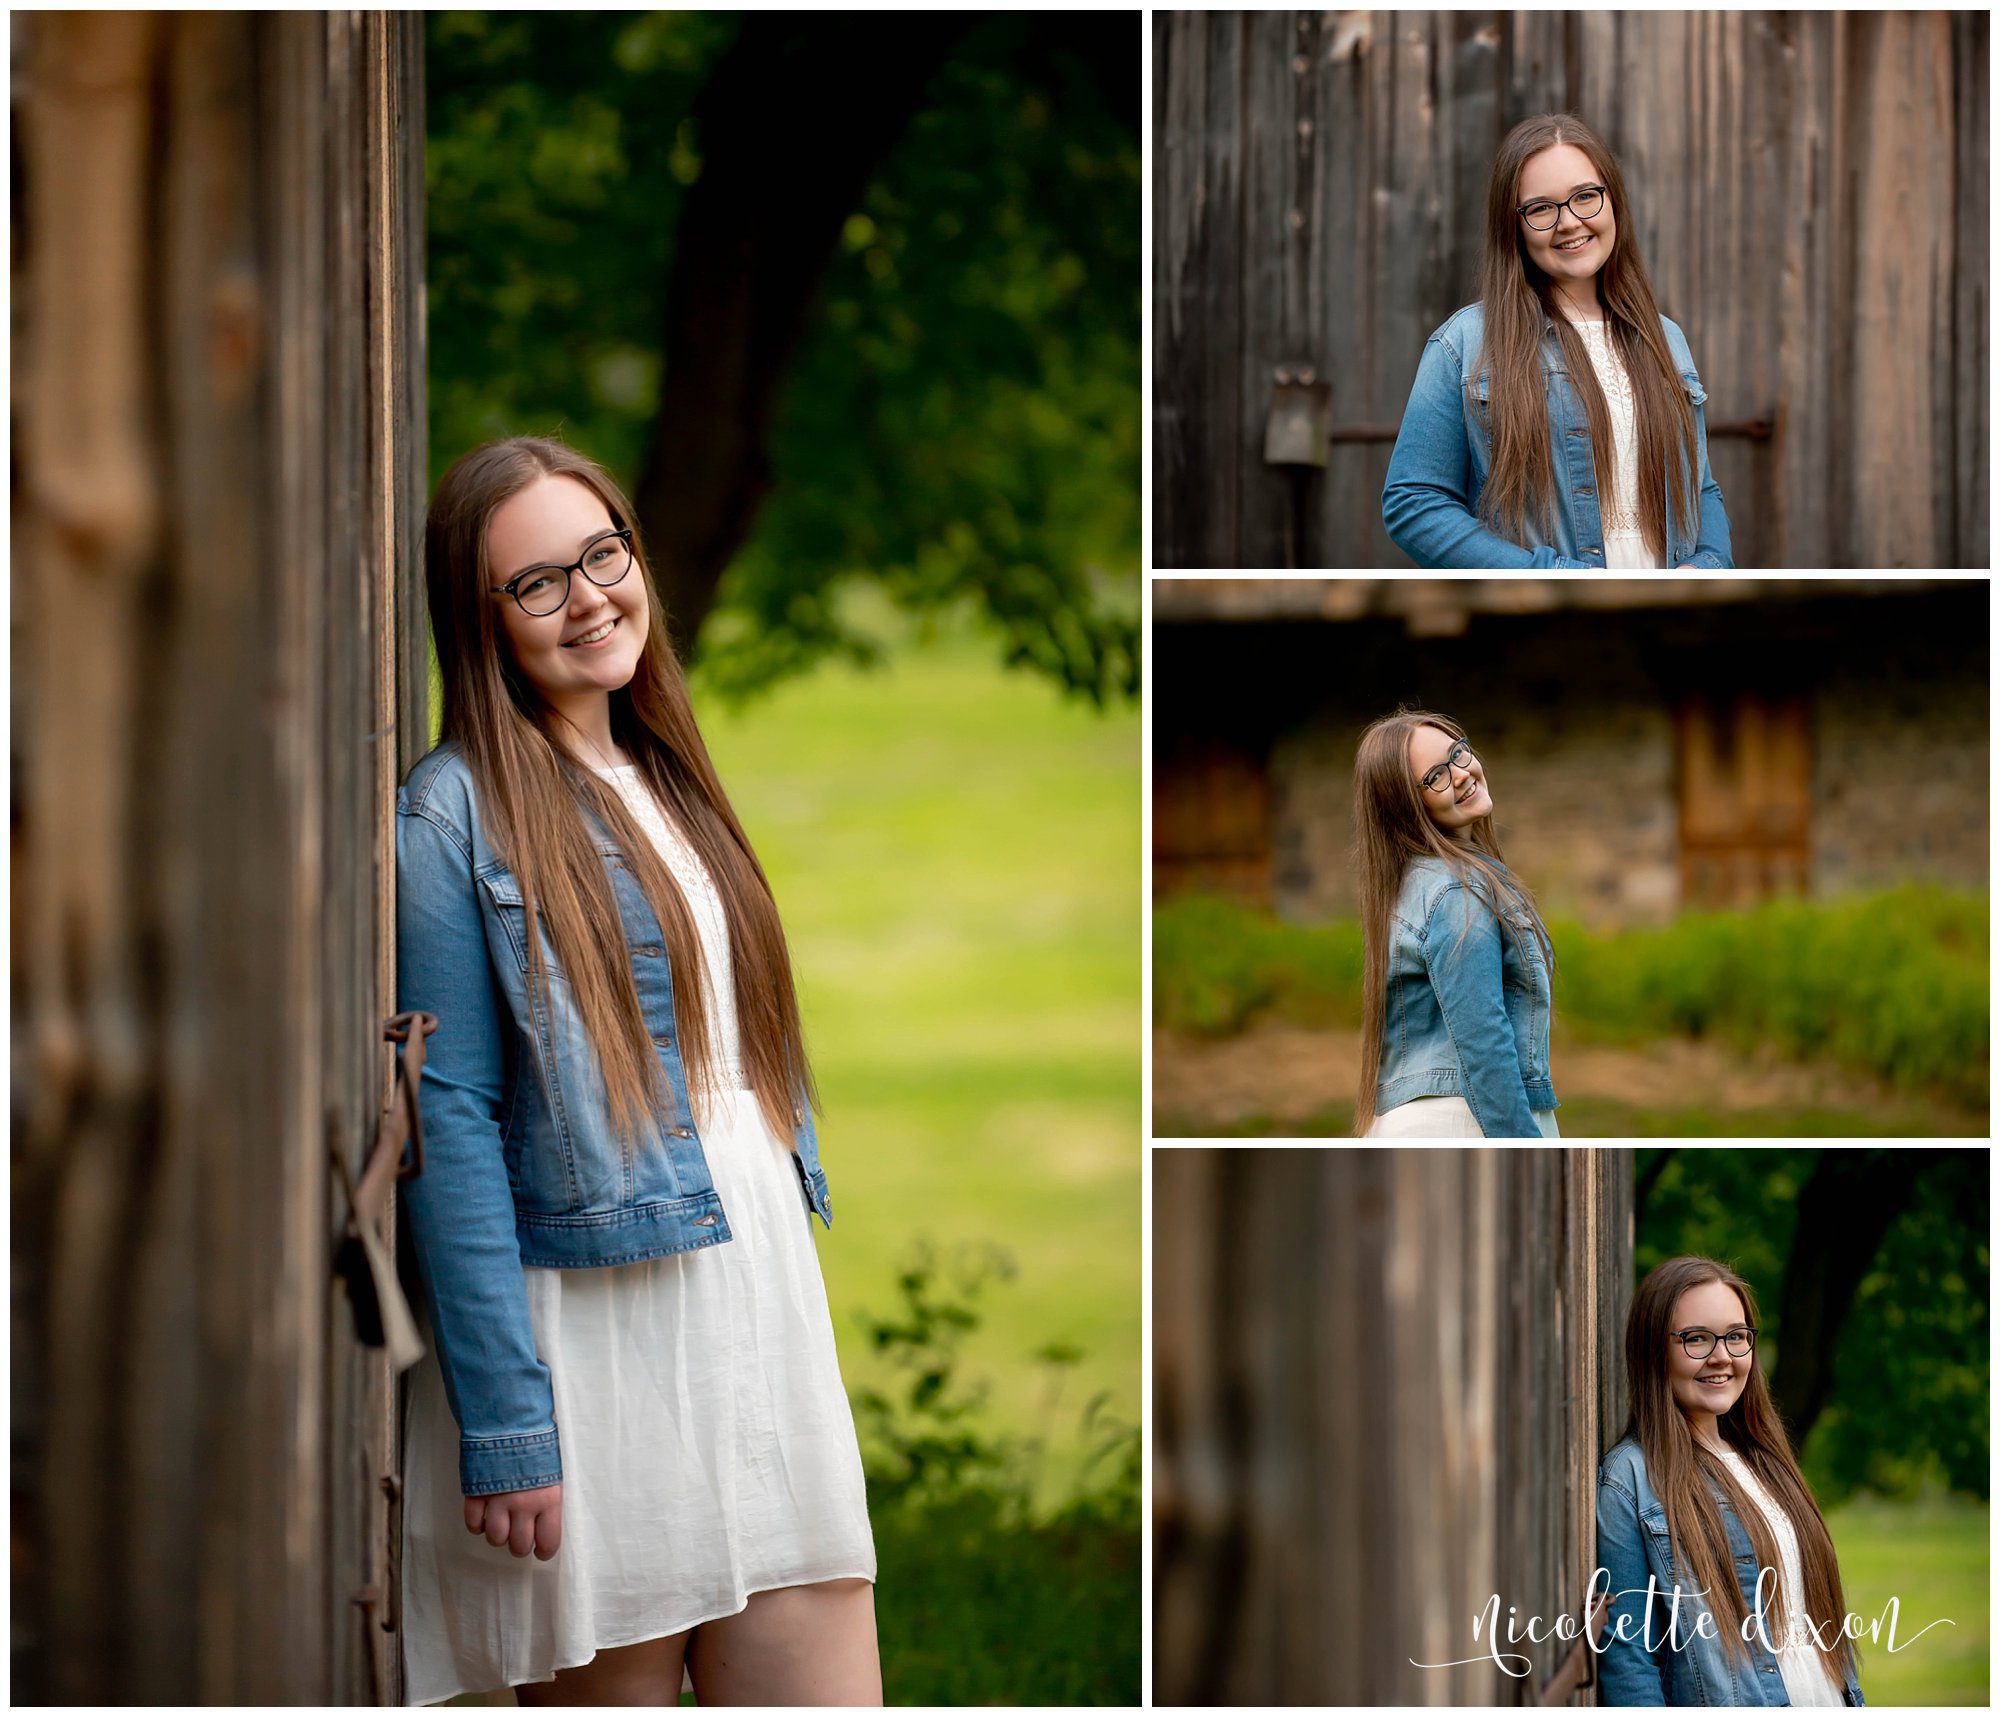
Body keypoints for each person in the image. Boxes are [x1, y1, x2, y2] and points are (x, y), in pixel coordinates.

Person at [394, 435, 880, 1705]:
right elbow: (450, 1115)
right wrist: (507, 1421)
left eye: (601, 554)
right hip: (599, 1343)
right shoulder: (450, 816)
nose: (588, 598)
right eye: (537, 582)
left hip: (754, 1298)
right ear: (480, 620)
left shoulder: (667, 772)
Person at [1381, 112, 1734, 569]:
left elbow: (1700, 487)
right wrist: (1549, 576)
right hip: (1548, 608)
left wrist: (1707, 565)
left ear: (1613, 201)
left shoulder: (1666, 338)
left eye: (1585, 196)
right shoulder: (1464, 344)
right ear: (1514, 225)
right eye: (1541, 208)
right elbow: (1414, 503)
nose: (1568, 222)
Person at [1598, 1256, 1865, 1706]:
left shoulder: (1763, 1458)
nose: (1721, 1356)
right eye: (1696, 1339)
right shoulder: (1631, 1479)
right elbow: (1629, 1661)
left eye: (1736, 1337)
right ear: (1653, 1350)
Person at [1351, 709, 1559, 1138]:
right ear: (1406, 807)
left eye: (1458, 754)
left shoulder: (1422, 882)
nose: (1461, 774)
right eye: (1436, 777)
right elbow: (1484, 1044)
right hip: (1462, 1121)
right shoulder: (1456, 892)